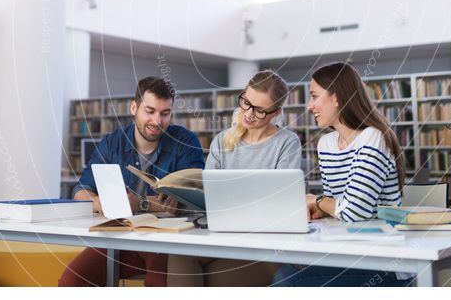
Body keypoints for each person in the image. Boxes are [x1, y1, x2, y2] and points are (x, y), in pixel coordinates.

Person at [273, 62, 412, 287]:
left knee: (286, 282)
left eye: (314, 96)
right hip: (348, 252)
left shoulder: (373, 137)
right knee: (285, 270)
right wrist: (320, 209)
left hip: (384, 263)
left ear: (336, 97)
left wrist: (315, 200)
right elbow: (337, 207)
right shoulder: (326, 144)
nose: (309, 106)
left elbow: (354, 211)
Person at [58, 76, 204, 287]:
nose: (157, 121)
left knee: (160, 284)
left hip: (166, 242)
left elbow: (188, 202)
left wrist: (140, 204)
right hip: (120, 238)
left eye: (165, 113)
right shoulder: (112, 142)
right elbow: (81, 189)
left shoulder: (185, 142)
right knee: (71, 281)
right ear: (134, 107)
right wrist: (98, 201)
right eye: (150, 111)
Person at [167, 70, 302, 287]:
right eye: (246, 103)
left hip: (264, 246)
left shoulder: (287, 143)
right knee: (180, 252)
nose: (248, 113)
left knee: (201, 278)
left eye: (259, 110)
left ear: (275, 112)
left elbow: (281, 203)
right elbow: (206, 195)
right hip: (221, 236)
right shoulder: (223, 140)